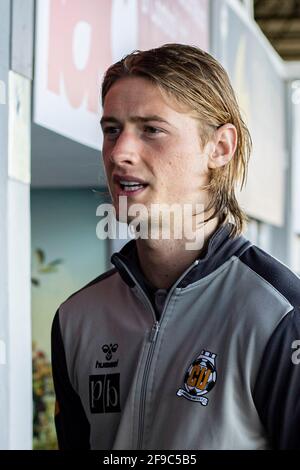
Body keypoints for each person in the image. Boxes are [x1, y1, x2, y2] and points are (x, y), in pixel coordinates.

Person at [51, 43, 300, 450]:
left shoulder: (279, 314)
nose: (120, 153)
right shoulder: (76, 318)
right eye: (112, 130)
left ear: (219, 148)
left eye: (151, 129)